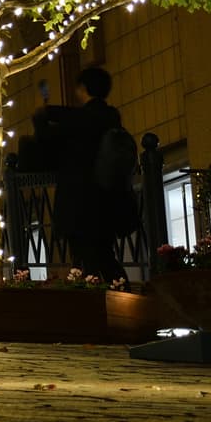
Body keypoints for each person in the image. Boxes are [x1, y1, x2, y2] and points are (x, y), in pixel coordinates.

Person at [58, 67, 136, 286]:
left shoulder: (81, 120)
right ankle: (122, 297)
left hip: (84, 204)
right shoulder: (112, 118)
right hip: (110, 202)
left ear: (83, 88)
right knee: (104, 255)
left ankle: (114, 305)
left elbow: (67, 155)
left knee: (91, 259)